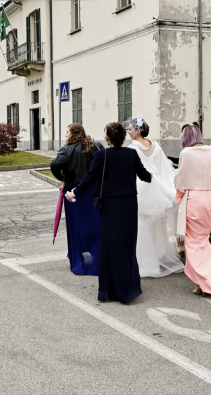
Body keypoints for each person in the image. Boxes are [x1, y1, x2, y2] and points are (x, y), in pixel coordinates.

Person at [67, 122, 152, 304]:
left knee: (110, 246)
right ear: (122, 137)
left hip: (110, 206)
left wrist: (73, 192)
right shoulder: (131, 153)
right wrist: (153, 174)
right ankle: (128, 287)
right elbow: (145, 176)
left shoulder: (101, 155)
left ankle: (110, 289)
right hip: (129, 205)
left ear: (108, 138)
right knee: (127, 245)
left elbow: (88, 179)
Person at [125, 116, 184, 278]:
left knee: (141, 224)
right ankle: (159, 256)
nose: (128, 132)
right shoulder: (156, 146)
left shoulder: (131, 148)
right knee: (158, 224)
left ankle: (143, 260)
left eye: (130, 129)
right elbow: (163, 169)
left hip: (140, 188)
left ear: (138, 130)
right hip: (157, 187)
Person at [174, 124, 211, 296]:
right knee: (202, 240)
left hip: (195, 199)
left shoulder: (186, 153)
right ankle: (200, 283)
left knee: (194, 243)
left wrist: (178, 197)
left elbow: (180, 179)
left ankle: (210, 283)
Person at [50, 123, 104, 276]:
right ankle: (97, 259)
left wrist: (63, 177)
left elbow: (54, 164)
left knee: (76, 226)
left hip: (73, 193)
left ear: (74, 133)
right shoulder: (95, 145)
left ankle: (79, 260)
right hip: (93, 191)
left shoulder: (66, 150)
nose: (65, 135)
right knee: (95, 225)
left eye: (67, 132)